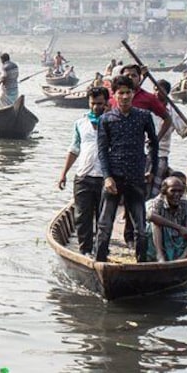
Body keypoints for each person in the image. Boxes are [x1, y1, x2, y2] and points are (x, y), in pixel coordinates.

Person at [94, 75, 159, 263]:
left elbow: (153, 144)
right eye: (120, 93)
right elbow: (102, 151)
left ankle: (141, 262)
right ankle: (100, 261)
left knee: (140, 226)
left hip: (136, 175)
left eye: (128, 92)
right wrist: (107, 177)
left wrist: (151, 168)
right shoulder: (106, 119)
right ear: (114, 95)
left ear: (133, 93)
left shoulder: (144, 116)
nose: (124, 97)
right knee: (105, 224)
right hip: (114, 176)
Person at [56, 86, 109, 256]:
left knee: (104, 218)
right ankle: (85, 250)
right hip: (83, 176)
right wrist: (63, 174)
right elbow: (74, 149)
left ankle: (102, 251)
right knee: (82, 216)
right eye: (93, 103)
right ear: (88, 102)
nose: (96, 107)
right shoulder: (80, 123)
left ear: (106, 102)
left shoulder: (112, 122)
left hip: (105, 177)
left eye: (100, 103)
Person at [145, 176, 187, 262]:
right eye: (173, 191)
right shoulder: (157, 202)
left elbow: (185, 227)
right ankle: (160, 256)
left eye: (180, 191)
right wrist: (178, 227)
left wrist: (185, 233)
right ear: (165, 192)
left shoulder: (185, 204)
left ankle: (181, 258)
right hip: (161, 238)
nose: (177, 194)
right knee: (155, 224)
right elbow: (151, 216)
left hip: (176, 238)